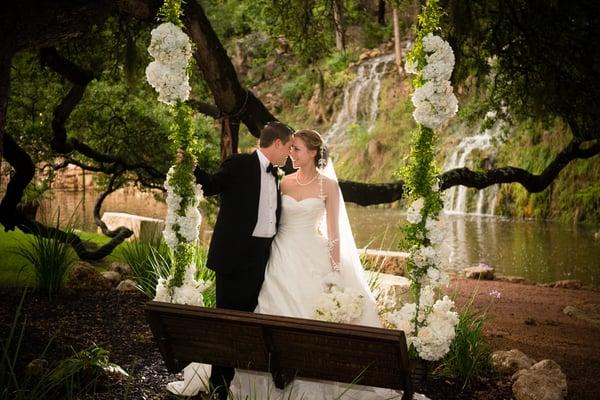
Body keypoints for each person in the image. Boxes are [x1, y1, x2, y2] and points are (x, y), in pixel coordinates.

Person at [229, 130, 426, 400]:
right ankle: (272, 376)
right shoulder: (283, 182)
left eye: (296, 149)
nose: (291, 153)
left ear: (312, 152)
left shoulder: (328, 187)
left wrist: (334, 271)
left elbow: (334, 234)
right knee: (272, 305)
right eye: (291, 148)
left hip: (312, 252)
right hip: (281, 254)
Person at [194, 121, 294, 400]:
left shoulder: (277, 173)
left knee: (251, 329)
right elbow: (212, 185)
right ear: (276, 144)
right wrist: (191, 167)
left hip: (261, 262)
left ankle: (245, 386)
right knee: (228, 328)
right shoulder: (239, 164)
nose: (288, 153)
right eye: (287, 147)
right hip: (233, 261)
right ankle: (219, 389)